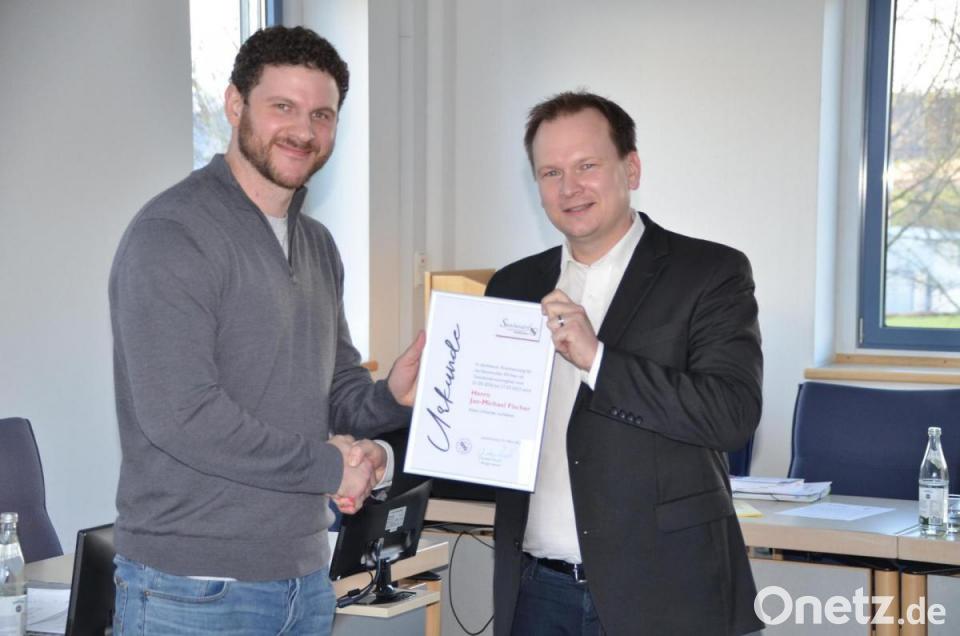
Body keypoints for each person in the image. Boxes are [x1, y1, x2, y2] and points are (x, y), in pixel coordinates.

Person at [108, 26, 423, 634]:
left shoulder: (317, 244)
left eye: (322, 114)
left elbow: (336, 388)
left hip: (305, 579)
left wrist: (391, 397)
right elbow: (183, 417)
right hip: (191, 591)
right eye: (283, 106)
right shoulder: (173, 234)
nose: (303, 130)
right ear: (235, 105)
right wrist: (330, 467)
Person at [485, 91, 764, 635]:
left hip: (667, 592)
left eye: (587, 166)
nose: (569, 188)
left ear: (630, 168)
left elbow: (731, 416)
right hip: (536, 593)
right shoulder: (512, 285)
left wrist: (598, 360)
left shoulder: (710, 273)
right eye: (550, 172)